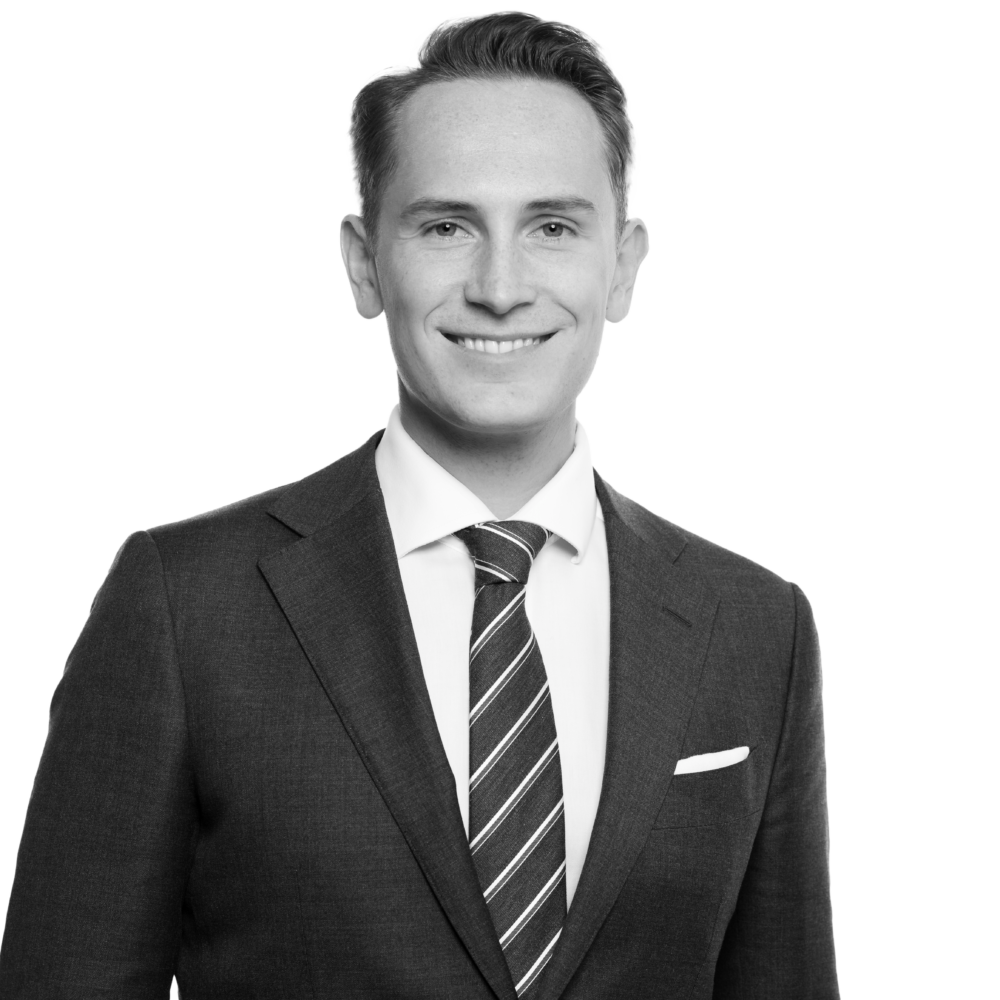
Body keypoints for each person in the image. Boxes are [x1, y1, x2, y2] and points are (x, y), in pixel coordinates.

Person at [0, 11, 838, 999]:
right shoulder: (183, 604)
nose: (499, 287)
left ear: (623, 264)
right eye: (446, 227)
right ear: (364, 261)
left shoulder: (757, 625)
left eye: (553, 227)